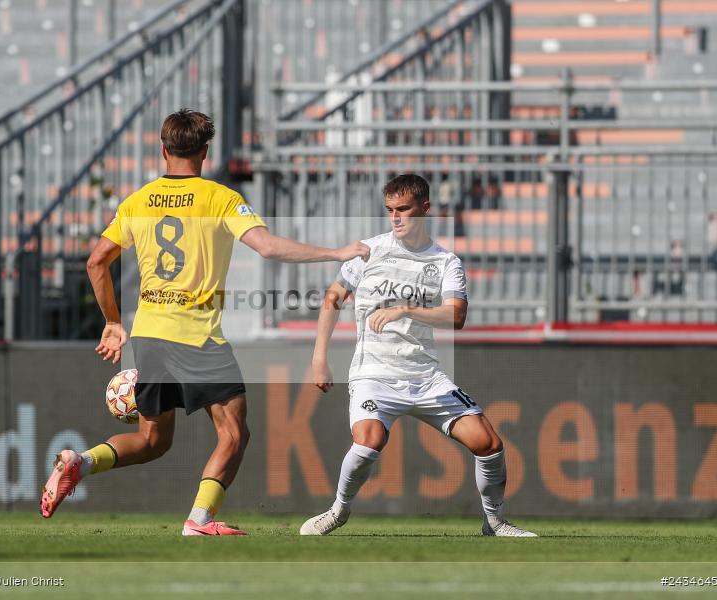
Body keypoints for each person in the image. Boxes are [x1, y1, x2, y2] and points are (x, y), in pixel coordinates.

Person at [40, 109, 370, 535]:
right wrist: (335, 254)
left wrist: (113, 322)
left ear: (163, 150)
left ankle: (80, 462)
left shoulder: (137, 201)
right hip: (197, 336)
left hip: (151, 335)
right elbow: (267, 247)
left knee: (153, 441)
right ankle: (199, 520)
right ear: (205, 151)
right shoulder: (221, 198)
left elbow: (96, 261)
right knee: (234, 433)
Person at [300, 174, 536, 538]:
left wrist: (406, 309)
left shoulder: (445, 262)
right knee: (369, 441)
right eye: (390, 210)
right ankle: (338, 510)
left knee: (488, 444)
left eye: (403, 209)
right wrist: (319, 357)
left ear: (425, 209)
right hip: (373, 374)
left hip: (426, 377)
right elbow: (332, 298)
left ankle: (495, 522)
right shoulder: (369, 252)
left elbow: (456, 317)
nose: (395, 218)